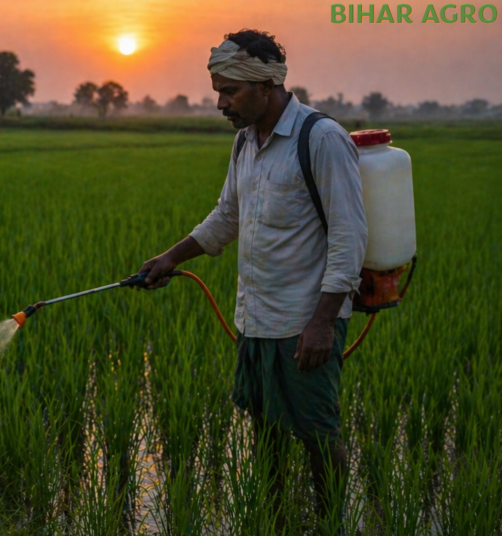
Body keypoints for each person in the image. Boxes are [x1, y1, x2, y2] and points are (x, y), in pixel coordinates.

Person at [136, 29, 367, 529]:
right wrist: (171, 257)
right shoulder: (246, 141)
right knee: (265, 429)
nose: (221, 103)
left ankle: (331, 524)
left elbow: (350, 238)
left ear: (267, 84)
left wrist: (323, 323)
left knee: (318, 435)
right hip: (256, 319)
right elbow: (227, 216)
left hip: (304, 322)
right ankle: (276, 521)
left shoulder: (321, 139)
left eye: (231, 91)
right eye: (218, 91)